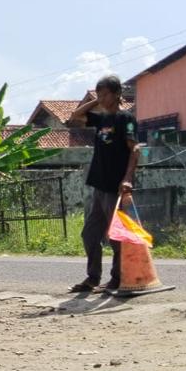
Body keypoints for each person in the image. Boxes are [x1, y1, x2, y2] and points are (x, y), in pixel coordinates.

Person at [66, 75, 140, 293]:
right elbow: (75, 116)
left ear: (117, 94)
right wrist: (96, 101)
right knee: (89, 234)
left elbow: (135, 149)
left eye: (105, 94)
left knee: (116, 236)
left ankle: (117, 279)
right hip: (99, 186)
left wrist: (127, 178)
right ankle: (92, 278)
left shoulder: (126, 119)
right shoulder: (101, 120)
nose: (102, 98)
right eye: (99, 94)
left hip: (115, 186)